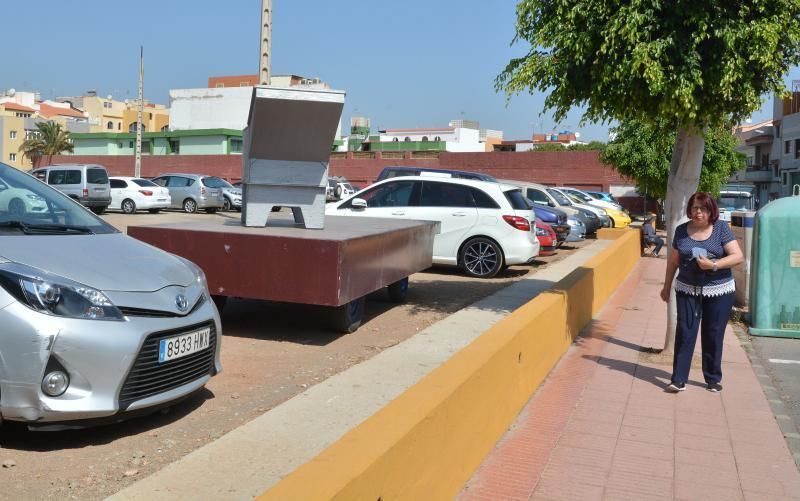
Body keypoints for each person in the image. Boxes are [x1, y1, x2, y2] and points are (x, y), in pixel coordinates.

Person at [660, 192, 743, 393]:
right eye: (695, 208)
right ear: (690, 209)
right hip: (687, 289)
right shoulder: (681, 231)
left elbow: (737, 256)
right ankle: (678, 379)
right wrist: (666, 285)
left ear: (711, 210)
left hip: (719, 290)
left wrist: (713, 264)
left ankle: (712, 378)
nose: (698, 212)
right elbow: (673, 261)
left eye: (703, 208)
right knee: (685, 332)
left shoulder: (721, 229)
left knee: (713, 334)